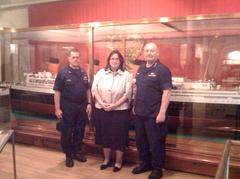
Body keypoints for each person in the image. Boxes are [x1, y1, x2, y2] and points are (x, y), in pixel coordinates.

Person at [132, 42, 172, 179]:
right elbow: (137, 88)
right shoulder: (141, 68)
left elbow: (167, 92)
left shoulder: (162, 70)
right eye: (147, 51)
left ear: (157, 53)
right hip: (139, 113)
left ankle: (157, 169)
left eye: (152, 51)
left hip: (154, 115)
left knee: (156, 143)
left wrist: (162, 113)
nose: (149, 53)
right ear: (144, 53)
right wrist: (134, 105)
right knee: (141, 141)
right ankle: (145, 163)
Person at [92, 50, 132, 172]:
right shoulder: (101, 73)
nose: (114, 61)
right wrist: (101, 103)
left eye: (117, 59)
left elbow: (128, 94)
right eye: (112, 59)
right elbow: (94, 89)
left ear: (121, 61)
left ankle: (118, 162)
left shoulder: (126, 75)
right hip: (102, 110)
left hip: (120, 111)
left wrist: (114, 105)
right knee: (105, 135)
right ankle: (106, 160)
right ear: (109, 61)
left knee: (119, 137)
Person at [53, 49, 92, 167]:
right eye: (73, 57)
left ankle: (77, 152)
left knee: (80, 131)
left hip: (82, 107)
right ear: (69, 59)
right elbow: (57, 92)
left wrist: (89, 103)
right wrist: (57, 108)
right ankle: (68, 155)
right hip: (67, 107)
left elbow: (88, 89)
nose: (76, 59)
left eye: (77, 57)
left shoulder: (83, 73)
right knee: (67, 132)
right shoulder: (63, 73)